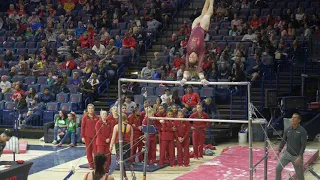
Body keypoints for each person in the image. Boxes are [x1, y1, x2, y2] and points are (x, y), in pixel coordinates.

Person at [181, 0, 214, 86]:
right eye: (193, 58)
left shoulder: (188, 52)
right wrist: (202, 79)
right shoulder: (201, 52)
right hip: (203, 28)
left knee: (203, 12)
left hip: (194, 27)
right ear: (197, 59)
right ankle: (212, 1)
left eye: (190, 58)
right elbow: (199, 68)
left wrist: (184, 78)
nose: (191, 56)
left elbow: (187, 68)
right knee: (209, 12)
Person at [275, 113, 307, 180]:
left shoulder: (302, 131)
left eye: (295, 118)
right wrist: (279, 151)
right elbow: (283, 141)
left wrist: (300, 156)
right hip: (287, 153)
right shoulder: (288, 129)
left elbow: (303, 145)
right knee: (278, 168)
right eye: (292, 117)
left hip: (297, 156)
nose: (292, 119)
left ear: (299, 120)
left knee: (300, 175)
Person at [109, 113, 133, 180]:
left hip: (119, 145)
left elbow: (113, 138)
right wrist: (131, 147)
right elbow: (131, 139)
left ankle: (125, 176)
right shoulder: (130, 127)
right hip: (127, 145)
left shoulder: (116, 126)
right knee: (127, 161)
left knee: (121, 161)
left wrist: (111, 145)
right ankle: (132, 173)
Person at [81, 104, 100, 169]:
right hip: (87, 137)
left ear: (94, 109)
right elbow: (82, 127)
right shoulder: (85, 117)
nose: (91, 110)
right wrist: (83, 136)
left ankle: (96, 164)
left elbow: (98, 127)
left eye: (92, 108)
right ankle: (90, 164)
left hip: (95, 137)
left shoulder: (97, 117)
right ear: (87, 109)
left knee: (96, 151)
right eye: (89, 108)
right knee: (88, 151)